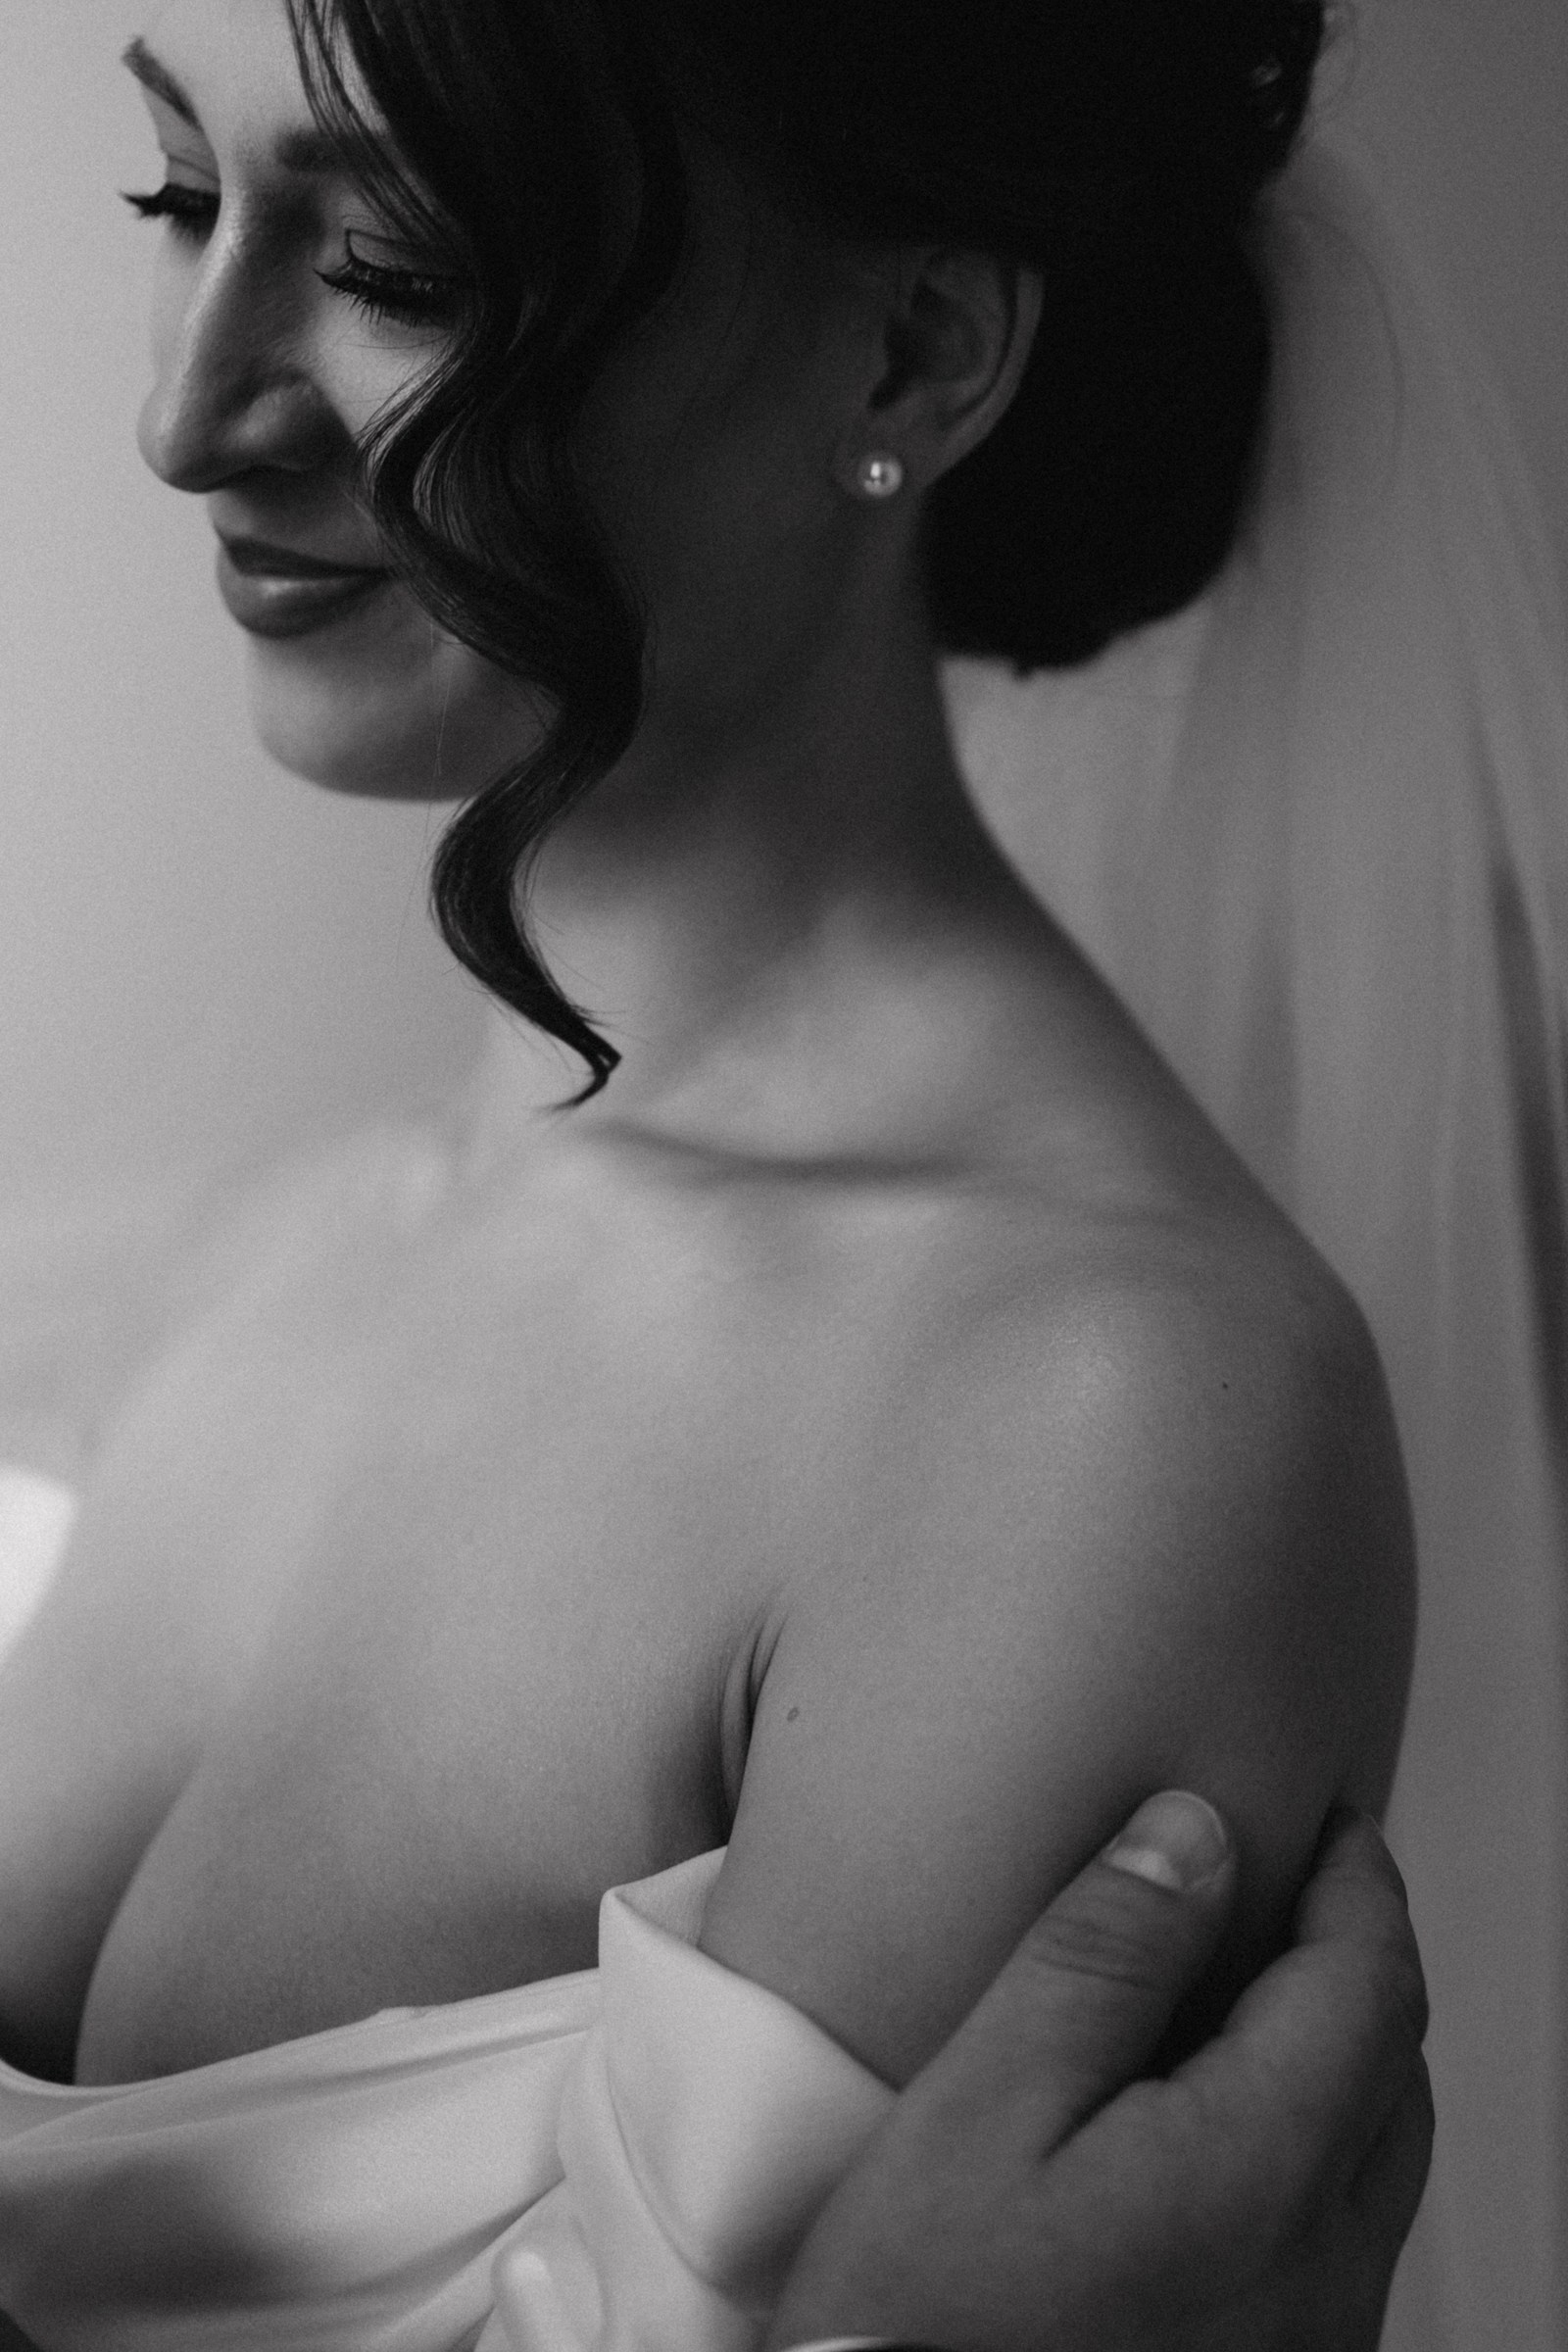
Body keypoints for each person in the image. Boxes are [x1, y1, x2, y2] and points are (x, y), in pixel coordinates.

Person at [0, 1, 1419, 2343]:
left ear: (909, 355)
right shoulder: (260, 1245)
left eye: (398, 262)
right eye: (180, 194)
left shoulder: (1093, 1425)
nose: (185, 419)